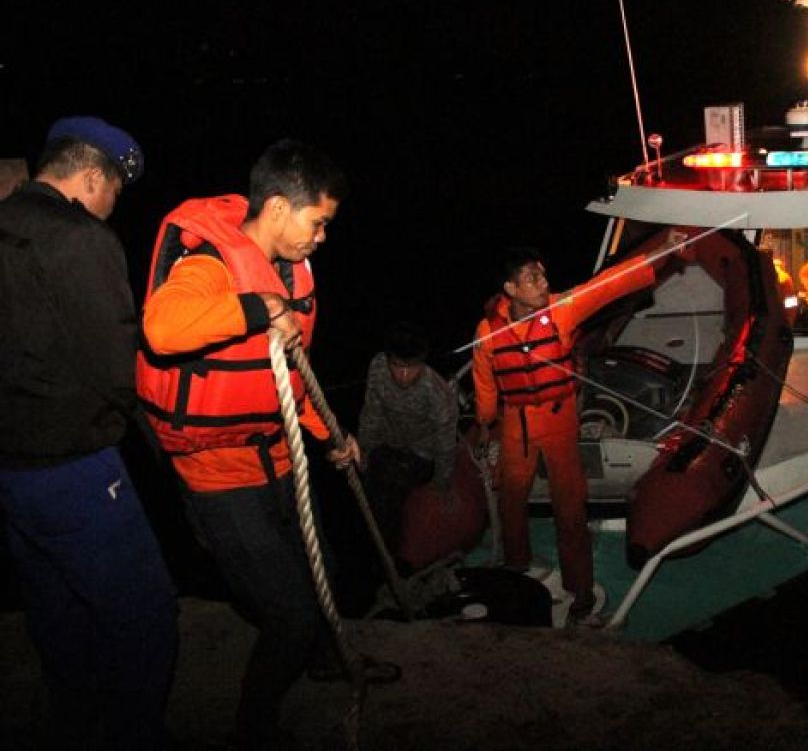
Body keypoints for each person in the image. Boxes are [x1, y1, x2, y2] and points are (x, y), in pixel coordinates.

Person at [137, 139, 395, 748]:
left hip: (278, 454)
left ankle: (327, 662)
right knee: (289, 612)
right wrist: (259, 307)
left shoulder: (292, 267)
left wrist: (331, 435)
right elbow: (161, 327)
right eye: (318, 222)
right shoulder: (210, 264)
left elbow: (286, 378)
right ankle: (254, 725)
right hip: (218, 472)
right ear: (278, 208)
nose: (322, 238)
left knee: (326, 576)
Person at [0, 116, 178, 749]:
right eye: (114, 192)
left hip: (12, 471)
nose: (112, 206)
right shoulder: (80, 240)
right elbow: (115, 367)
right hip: (73, 467)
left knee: (56, 608)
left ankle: (75, 722)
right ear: (92, 176)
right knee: (147, 615)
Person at [471, 231, 690, 623]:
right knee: (511, 498)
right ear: (510, 289)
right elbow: (485, 383)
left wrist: (660, 251)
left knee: (570, 508)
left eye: (543, 274)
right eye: (532, 278)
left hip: (558, 420)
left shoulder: (562, 310)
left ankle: (581, 590)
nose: (543, 282)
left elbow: (608, 284)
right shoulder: (488, 332)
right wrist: (485, 422)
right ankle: (518, 562)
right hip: (515, 423)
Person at [357, 321, 459, 556]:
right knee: (371, 479)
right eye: (397, 366)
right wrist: (365, 450)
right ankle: (374, 549)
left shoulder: (436, 391)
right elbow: (371, 411)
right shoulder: (378, 367)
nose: (403, 375)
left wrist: (442, 484)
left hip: (420, 454)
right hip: (387, 445)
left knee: (390, 486)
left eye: (411, 367)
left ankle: (392, 555)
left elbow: (445, 442)